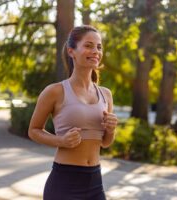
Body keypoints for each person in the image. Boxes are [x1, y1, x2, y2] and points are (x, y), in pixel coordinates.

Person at [28, 25, 118, 200]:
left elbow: (105, 143)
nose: (96, 51)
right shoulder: (55, 91)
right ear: (71, 51)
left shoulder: (106, 94)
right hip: (64, 183)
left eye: (99, 47)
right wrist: (60, 140)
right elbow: (33, 130)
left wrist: (111, 129)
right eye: (89, 45)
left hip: (95, 183)